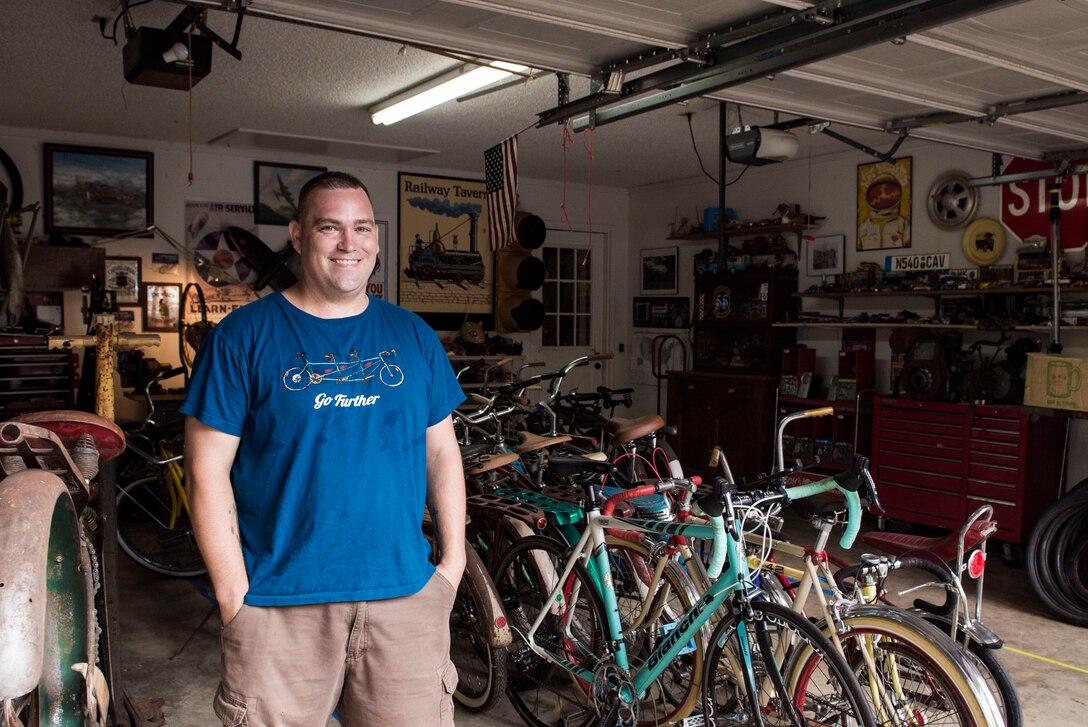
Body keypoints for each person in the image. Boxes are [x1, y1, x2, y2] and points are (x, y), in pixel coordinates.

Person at [182, 171, 467, 726]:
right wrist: (231, 592)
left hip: (405, 598)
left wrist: (451, 566)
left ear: (377, 240)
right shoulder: (242, 337)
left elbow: (441, 453)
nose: (348, 243)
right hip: (277, 604)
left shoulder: (413, 337)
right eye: (329, 227)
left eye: (361, 228)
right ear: (296, 233)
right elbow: (205, 471)